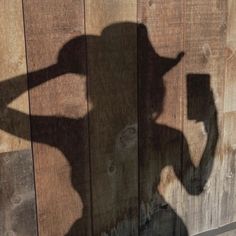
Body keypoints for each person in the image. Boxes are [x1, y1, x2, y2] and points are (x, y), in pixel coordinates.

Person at [0, 22, 218, 235]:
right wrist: (60, 68)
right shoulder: (76, 133)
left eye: (142, 77)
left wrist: (213, 129)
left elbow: (195, 186)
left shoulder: (167, 137)